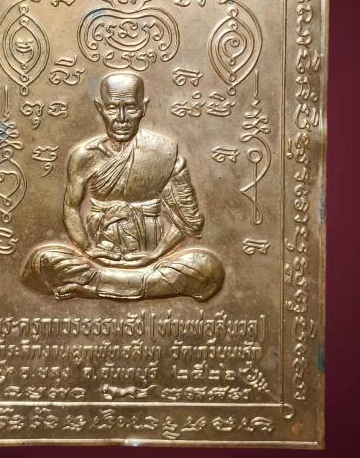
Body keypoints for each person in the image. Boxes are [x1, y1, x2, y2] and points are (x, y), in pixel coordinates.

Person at [22, 73, 224, 301]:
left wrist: (155, 254)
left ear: (143, 108)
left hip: (153, 256)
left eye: (130, 108)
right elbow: (70, 208)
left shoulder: (164, 153)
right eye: (112, 108)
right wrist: (88, 248)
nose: (121, 118)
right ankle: (135, 285)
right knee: (41, 263)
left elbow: (187, 220)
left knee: (208, 270)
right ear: (100, 108)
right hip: (99, 255)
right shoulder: (84, 156)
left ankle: (95, 286)